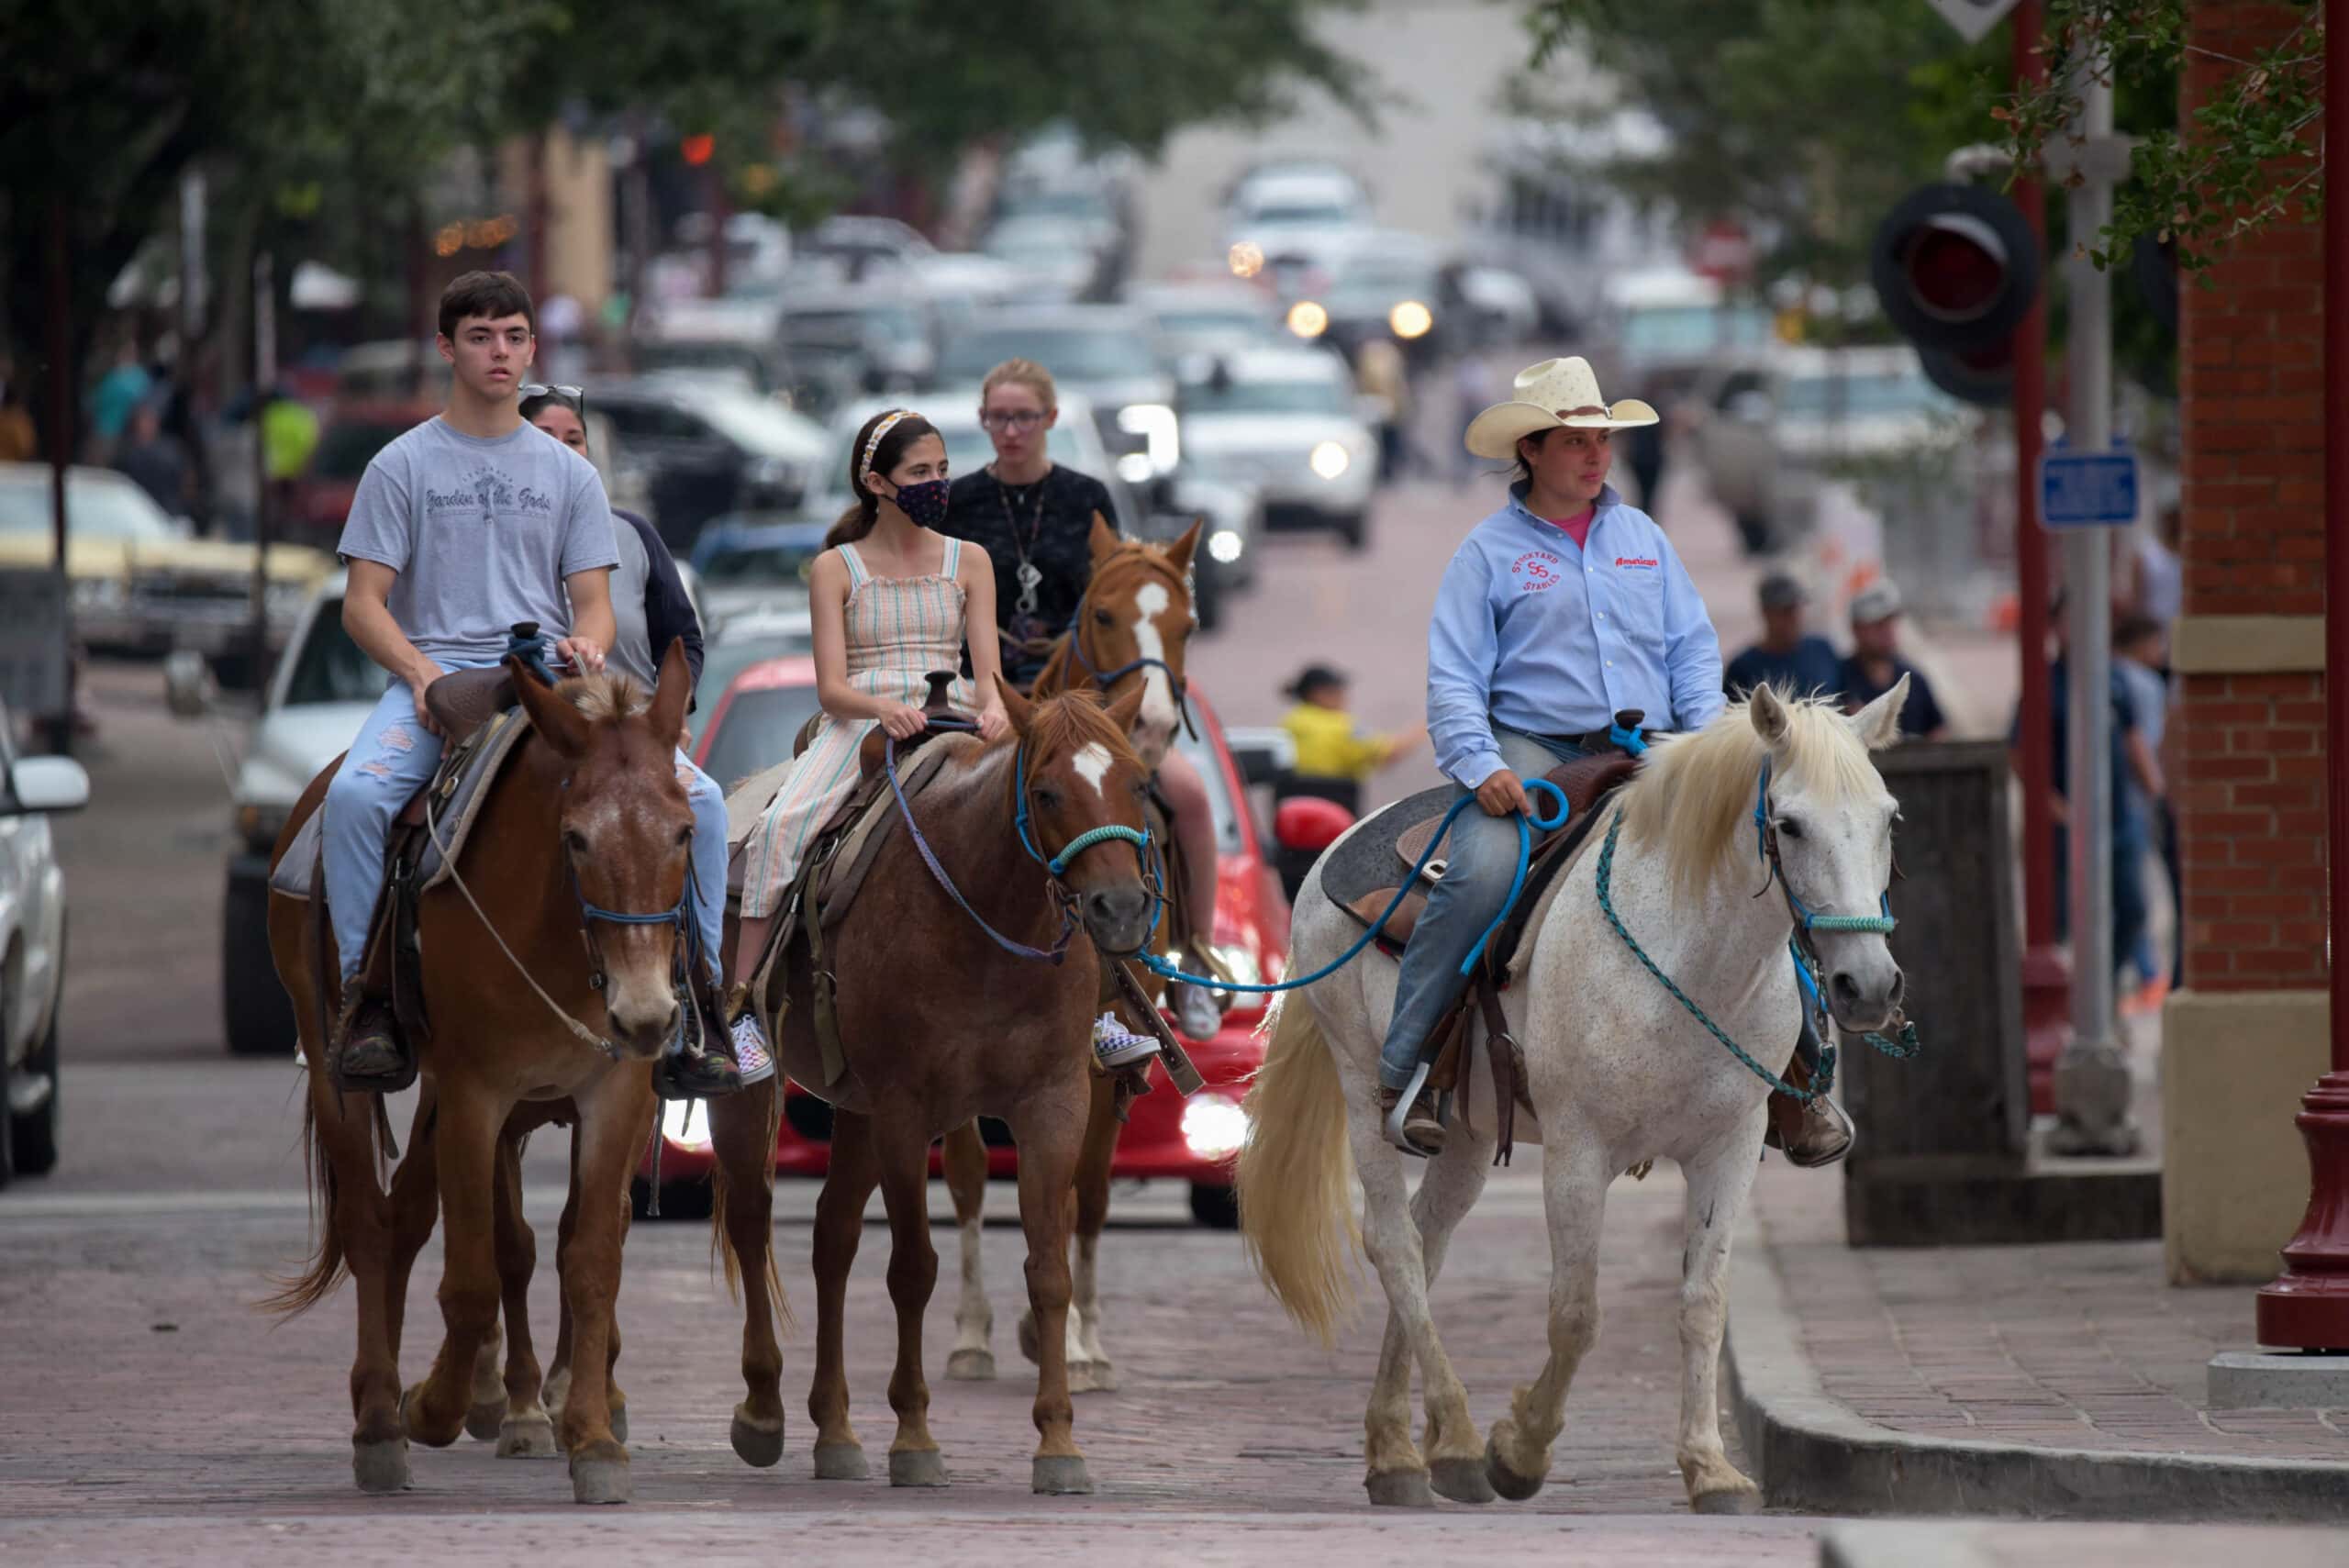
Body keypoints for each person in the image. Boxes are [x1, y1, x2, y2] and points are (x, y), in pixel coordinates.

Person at [322, 272, 743, 1095]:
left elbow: (595, 609)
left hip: (546, 683)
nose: (500, 352)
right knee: (354, 801)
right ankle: (364, 999)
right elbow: (362, 605)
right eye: (481, 337)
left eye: (514, 337)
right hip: (438, 678)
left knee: (710, 802)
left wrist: (584, 650)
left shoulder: (570, 475)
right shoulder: (399, 465)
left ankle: (700, 1005)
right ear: (448, 347)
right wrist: (421, 675)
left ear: (532, 347)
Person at [1382, 356, 1749, 1157]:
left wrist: (1710, 746)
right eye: (1577, 442)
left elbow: (1691, 649)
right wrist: (1483, 768)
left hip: (1654, 748)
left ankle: (1793, 1074)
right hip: (1532, 749)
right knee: (1479, 872)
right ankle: (1410, 1068)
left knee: (1761, 855)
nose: (1595, 456)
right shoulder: (1487, 552)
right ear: (1533, 451)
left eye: (1603, 441)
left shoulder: (1644, 536)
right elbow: (1454, 676)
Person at [941, 358, 1227, 1040]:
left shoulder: (1085, 495)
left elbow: (1121, 591)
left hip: (1087, 702)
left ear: (1050, 420)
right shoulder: (957, 502)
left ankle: (1193, 961)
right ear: (984, 422)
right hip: (980, 691)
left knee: (1186, 794)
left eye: (1025, 417)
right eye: (998, 418)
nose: (1011, 430)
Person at [519, 384, 773, 1085]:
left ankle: (705, 996)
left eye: (573, 439)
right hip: (530, 721)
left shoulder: (631, 535)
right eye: (544, 436)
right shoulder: (496, 531)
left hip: (631, 735)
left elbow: (682, 637)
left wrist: (675, 710)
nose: (561, 451)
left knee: (712, 806)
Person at [729, 409, 1014, 1010]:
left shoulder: (972, 560)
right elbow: (831, 688)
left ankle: (1098, 1008)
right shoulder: (837, 566)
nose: (936, 481)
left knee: (1057, 810)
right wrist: (881, 706)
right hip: (863, 716)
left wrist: (996, 711)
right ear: (877, 482)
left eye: (941, 469)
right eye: (919, 471)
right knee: (782, 828)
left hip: (955, 705)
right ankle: (743, 998)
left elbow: (989, 673)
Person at [2009, 593, 2158, 995]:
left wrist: (2156, 791)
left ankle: (2101, 993)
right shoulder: (2042, 684)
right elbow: (2018, 753)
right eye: (2068, 620)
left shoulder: (2112, 677)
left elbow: (2133, 739)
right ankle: (2070, 1000)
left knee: (2132, 910)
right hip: (2064, 826)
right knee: (2061, 924)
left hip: (2118, 821)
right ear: (2056, 627)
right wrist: (2050, 803)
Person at [2111, 614, 2176, 1009]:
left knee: (2125, 898)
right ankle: (2150, 974)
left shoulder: (2108, 677)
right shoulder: (2144, 684)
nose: (2161, 653)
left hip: (2117, 805)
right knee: (2139, 896)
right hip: (2138, 804)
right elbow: (2147, 745)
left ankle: (2143, 973)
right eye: (2156, 643)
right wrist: (2160, 791)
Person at [1278, 663, 1426, 814]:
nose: (1344, 696)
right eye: (1337, 690)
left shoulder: (1288, 723)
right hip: (1336, 816)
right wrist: (1427, 725)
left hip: (1291, 817)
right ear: (1319, 693)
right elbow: (1389, 753)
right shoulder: (1341, 727)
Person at [1836, 579, 1947, 740]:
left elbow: (1938, 730)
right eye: (1878, 624)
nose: (1887, 631)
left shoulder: (1913, 679)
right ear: (1856, 628)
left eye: (1890, 623)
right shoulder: (1837, 678)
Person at [1723, 572, 1841, 702]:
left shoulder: (1822, 650)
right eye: (1785, 611)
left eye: (1797, 608)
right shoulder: (1743, 667)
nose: (1794, 617)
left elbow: (1847, 699)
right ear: (1766, 613)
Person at [115, 404, 189, 515]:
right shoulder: (126, 451)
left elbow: (183, 479)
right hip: (135, 509)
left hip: (166, 510)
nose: (145, 425)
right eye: (142, 421)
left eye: (149, 421)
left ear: (156, 423)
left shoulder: (170, 450)